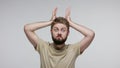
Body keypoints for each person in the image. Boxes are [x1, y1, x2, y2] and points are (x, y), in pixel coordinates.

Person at [24, 7, 95, 68]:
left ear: (68, 33)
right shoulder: (43, 47)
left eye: (63, 30)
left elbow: (90, 34)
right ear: (51, 31)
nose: (59, 33)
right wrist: (50, 22)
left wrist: (70, 23)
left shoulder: (73, 49)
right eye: (56, 29)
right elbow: (27, 28)